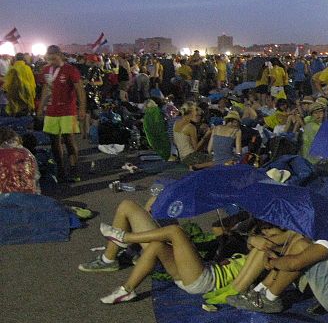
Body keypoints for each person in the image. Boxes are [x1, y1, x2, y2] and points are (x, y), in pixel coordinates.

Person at [220, 225, 328, 317]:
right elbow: (287, 240)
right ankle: (260, 291)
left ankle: (269, 297)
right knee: (299, 243)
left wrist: (273, 262)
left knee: (301, 249)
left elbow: (294, 263)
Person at [93, 216, 263, 304]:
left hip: (206, 280)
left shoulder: (264, 254)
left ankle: (125, 238)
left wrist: (254, 239)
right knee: (157, 246)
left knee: (175, 231)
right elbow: (218, 226)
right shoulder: (250, 248)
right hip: (201, 273)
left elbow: (256, 266)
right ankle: (126, 290)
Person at [38, 45, 86, 183]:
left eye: (54, 58)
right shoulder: (46, 70)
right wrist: (41, 108)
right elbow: (46, 90)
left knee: (69, 139)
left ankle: (74, 168)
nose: (51, 61)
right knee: (54, 141)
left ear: (60, 55)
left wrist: (82, 108)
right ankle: (60, 169)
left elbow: (80, 90)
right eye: (49, 59)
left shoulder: (70, 70)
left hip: (68, 110)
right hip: (51, 111)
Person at [173, 101, 212, 167]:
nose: (198, 115)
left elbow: (175, 142)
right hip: (191, 157)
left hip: (182, 157)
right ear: (191, 113)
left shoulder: (176, 123)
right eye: (196, 113)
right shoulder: (190, 127)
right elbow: (196, 148)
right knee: (218, 160)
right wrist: (207, 135)